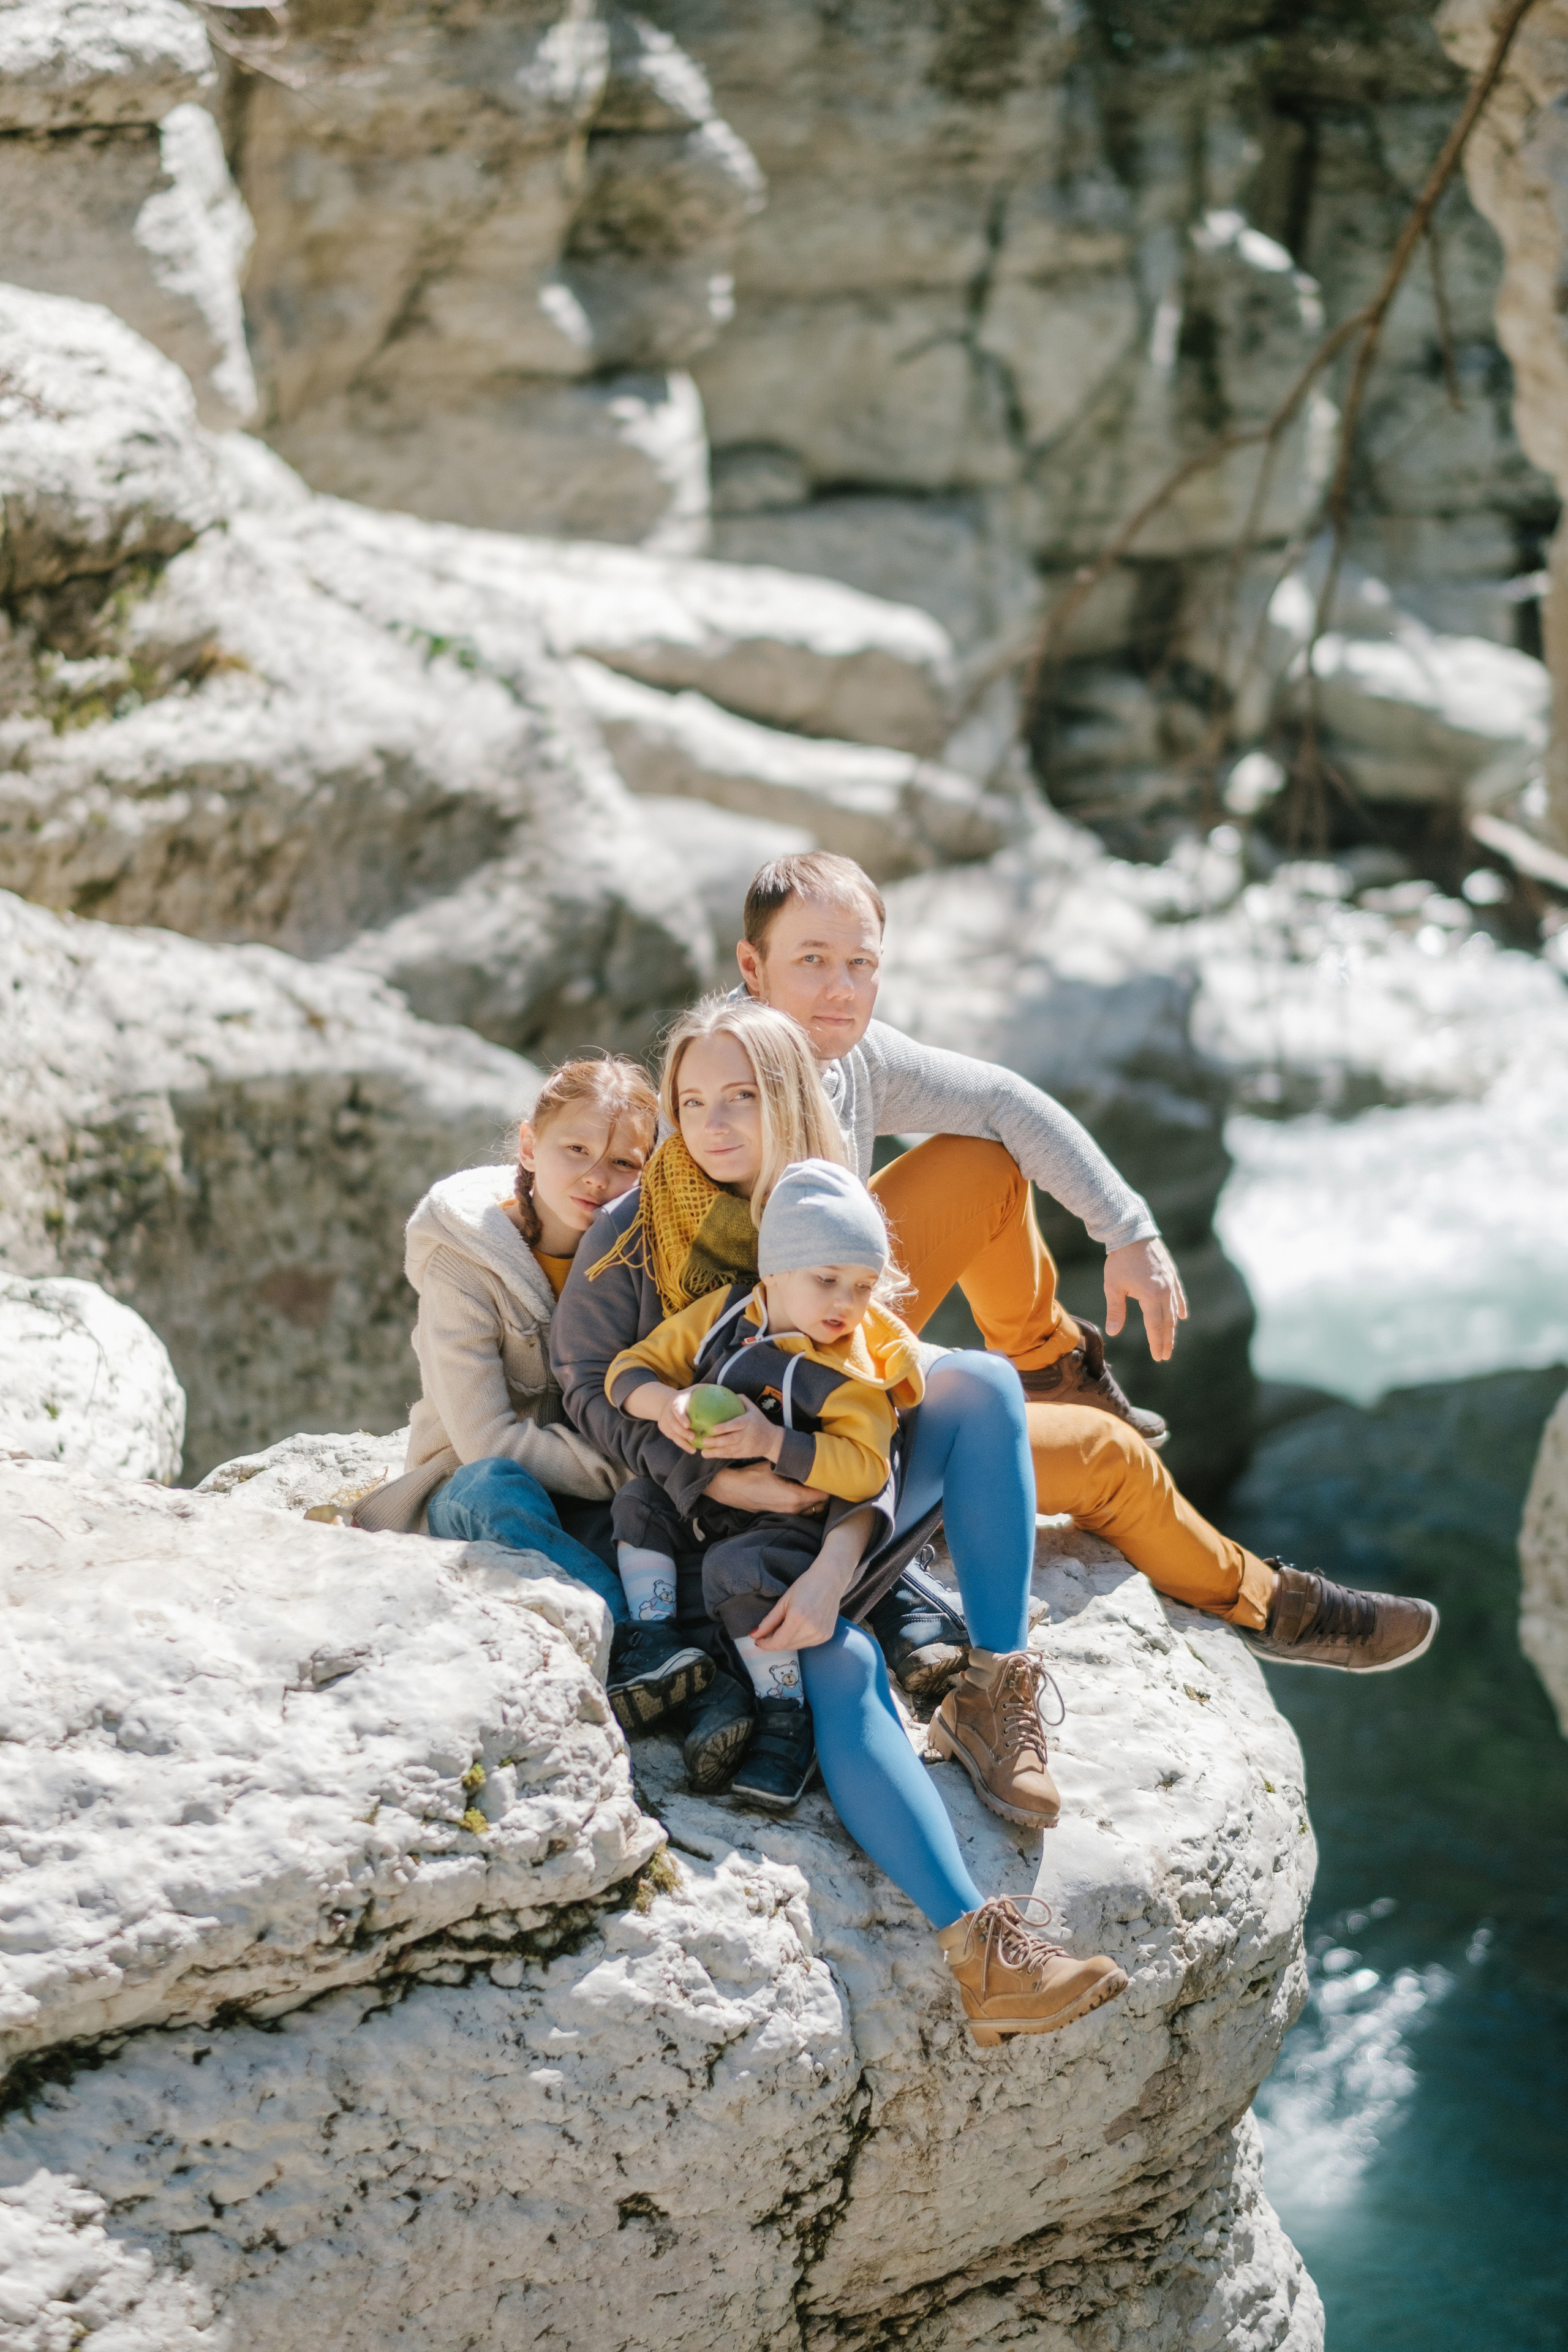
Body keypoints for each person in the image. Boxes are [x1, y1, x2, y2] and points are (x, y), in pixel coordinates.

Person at [553, 998, 1131, 2045]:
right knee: (838, 1662)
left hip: (834, 1497)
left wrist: (838, 1555)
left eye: (741, 1098)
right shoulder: (633, 1232)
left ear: (786, 1100)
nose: (715, 1123)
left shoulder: (821, 1212)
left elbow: (879, 1402)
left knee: (984, 1385)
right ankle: (983, 1954)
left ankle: (994, 1689)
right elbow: (589, 1389)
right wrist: (708, 1479)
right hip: (706, 1533)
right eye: (691, 1102)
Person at [728, 851, 1438, 1673]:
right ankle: (1269, 1606)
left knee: (984, 1164)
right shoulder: (724, 1099)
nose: (841, 988)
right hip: (808, 1424)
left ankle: (1049, 1366)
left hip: (835, 1319)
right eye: (811, 962)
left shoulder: (848, 1058)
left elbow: (1002, 1101)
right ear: (753, 968)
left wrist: (1127, 1231)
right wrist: (944, 1386)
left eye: (860, 964)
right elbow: (733, 1342)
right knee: (1115, 1464)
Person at [355, 1055, 734, 1743]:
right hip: (469, 1490)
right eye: (576, 1150)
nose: (597, 1176)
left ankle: (713, 1697)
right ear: (529, 1146)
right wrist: (625, 1467)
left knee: (664, 1525)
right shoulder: (463, 1259)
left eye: (624, 1163)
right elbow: (486, 1442)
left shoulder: (643, 1252)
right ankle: (639, 1650)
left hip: (593, 1495)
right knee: (502, 1487)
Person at [606, 1157, 924, 1809]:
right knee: (638, 1501)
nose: (846, 1304)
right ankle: (656, 1644)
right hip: (713, 1502)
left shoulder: (849, 1365)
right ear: (773, 1270)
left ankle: (785, 1715)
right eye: (827, 1279)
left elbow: (866, 1468)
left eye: (864, 1287)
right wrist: (663, 1403)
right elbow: (626, 1371)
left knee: (736, 1568)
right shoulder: (724, 1317)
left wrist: (773, 1443)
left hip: (791, 1527)